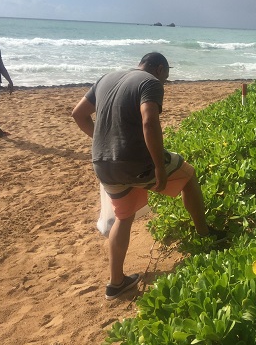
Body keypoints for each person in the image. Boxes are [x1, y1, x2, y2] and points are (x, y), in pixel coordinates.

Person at [71, 52, 225, 300]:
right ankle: (204, 234)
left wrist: (105, 145)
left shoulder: (106, 78)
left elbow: (78, 114)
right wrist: (160, 168)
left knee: (124, 216)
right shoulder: (150, 82)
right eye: (166, 76)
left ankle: (116, 283)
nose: (165, 81)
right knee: (189, 176)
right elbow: (149, 122)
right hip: (137, 163)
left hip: (103, 164)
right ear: (160, 69)